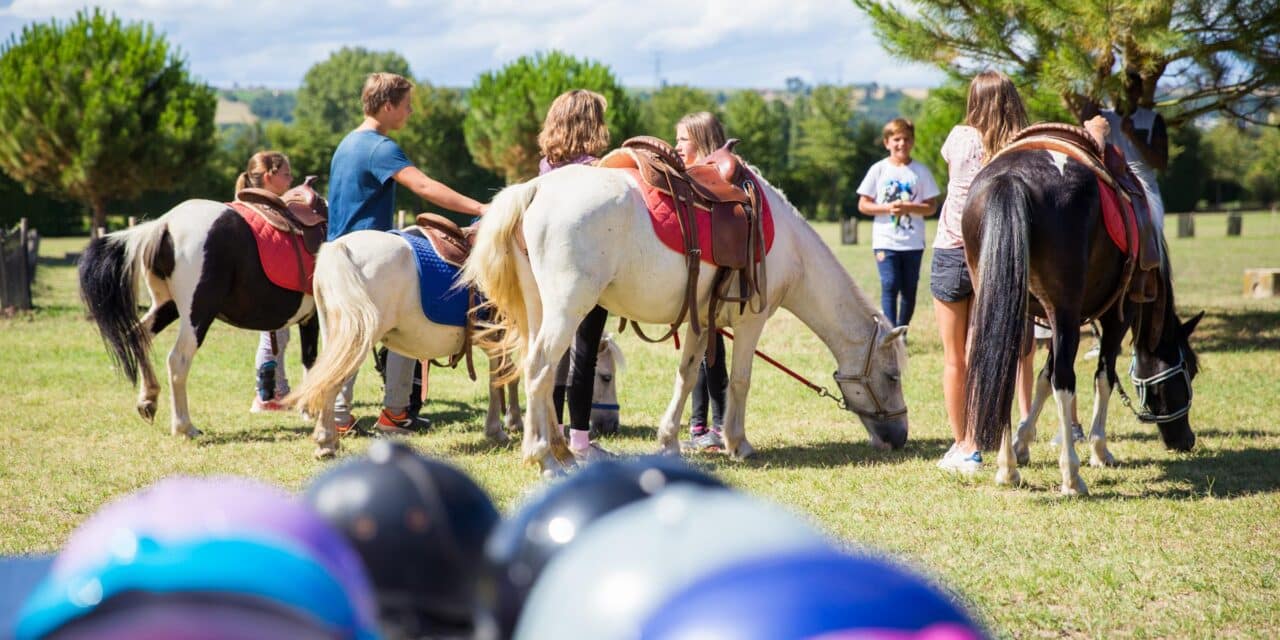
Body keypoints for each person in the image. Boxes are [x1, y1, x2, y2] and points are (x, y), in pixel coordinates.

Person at [328, 72, 486, 436]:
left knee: (347, 335)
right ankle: (394, 412)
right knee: (406, 325)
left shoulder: (347, 144)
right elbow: (423, 184)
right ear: (387, 106)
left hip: (337, 250)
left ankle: (338, 415)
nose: (410, 112)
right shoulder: (380, 147)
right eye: (406, 105)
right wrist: (479, 208)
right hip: (370, 250)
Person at [932, 71, 1031, 474]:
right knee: (985, 351)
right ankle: (987, 437)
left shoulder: (958, 137)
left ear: (974, 99)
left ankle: (964, 445)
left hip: (952, 247)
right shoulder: (1020, 146)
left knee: (954, 356)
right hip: (998, 257)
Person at [536, 89, 614, 462]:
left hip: (548, 270)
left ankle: (550, 432)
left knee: (553, 353)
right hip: (587, 269)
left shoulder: (544, 169)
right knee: (585, 355)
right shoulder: (597, 172)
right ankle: (580, 441)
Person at [673, 111, 731, 452]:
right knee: (698, 356)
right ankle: (698, 426)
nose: (677, 145)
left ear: (703, 140)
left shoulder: (717, 178)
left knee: (713, 354)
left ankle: (719, 427)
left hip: (715, 280)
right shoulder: (685, 176)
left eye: (683, 139)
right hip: (695, 281)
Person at [857, 118, 940, 332]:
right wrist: (887, 209)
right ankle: (891, 332)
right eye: (896, 139)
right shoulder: (878, 169)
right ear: (887, 142)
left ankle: (902, 330)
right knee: (890, 284)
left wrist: (910, 207)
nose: (901, 144)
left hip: (912, 242)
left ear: (912, 142)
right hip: (885, 240)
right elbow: (864, 204)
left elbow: (931, 207)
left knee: (909, 289)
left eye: (906, 139)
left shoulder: (920, 172)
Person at [237, 151, 298, 413]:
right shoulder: (265, 211)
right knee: (272, 338)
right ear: (269, 176)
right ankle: (265, 395)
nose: (290, 179)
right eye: (286, 174)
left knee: (278, 338)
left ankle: (278, 390)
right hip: (268, 281)